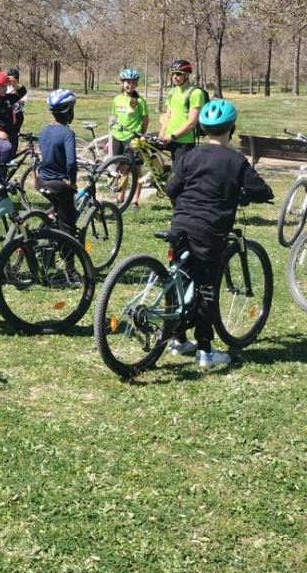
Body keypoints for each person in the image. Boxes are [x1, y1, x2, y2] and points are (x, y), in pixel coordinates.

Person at [164, 99, 273, 370]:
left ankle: (177, 338)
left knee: (179, 276)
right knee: (205, 287)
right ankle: (205, 351)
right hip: (209, 230)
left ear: (202, 128)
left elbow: (170, 189)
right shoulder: (236, 161)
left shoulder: (189, 156)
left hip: (180, 224)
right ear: (232, 128)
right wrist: (259, 195)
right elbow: (260, 190)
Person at [36, 89, 78, 242]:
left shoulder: (44, 131)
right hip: (58, 184)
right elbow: (71, 162)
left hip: (41, 181)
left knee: (58, 210)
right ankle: (70, 265)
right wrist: (72, 182)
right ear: (69, 111)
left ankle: (48, 242)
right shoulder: (67, 134)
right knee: (69, 228)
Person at [110, 68, 148, 209]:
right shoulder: (116, 100)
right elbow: (113, 118)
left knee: (135, 169)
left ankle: (136, 200)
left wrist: (140, 136)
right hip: (117, 137)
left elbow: (145, 120)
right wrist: (111, 135)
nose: (129, 85)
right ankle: (121, 195)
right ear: (122, 83)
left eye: (132, 83)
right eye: (127, 82)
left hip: (133, 138)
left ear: (136, 84)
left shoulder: (139, 101)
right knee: (121, 168)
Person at [159, 59, 206, 165]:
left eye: (178, 74)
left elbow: (191, 123)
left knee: (178, 176)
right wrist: (162, 132)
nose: (175, 76)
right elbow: (168, 115)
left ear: (187, 75)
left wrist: (172, 136)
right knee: (142, 146)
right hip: (167, 137)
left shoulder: (196, 93)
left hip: (183, 141)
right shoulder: (173, 91)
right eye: (173, 74)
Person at [6, 68, 27, 135]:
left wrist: (15, 90)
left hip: (17, 114)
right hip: (7, 114)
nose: (13, 80)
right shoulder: (4, 88)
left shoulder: (20, 88)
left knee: (15, 134)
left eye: (15, 78)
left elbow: (22, 101)